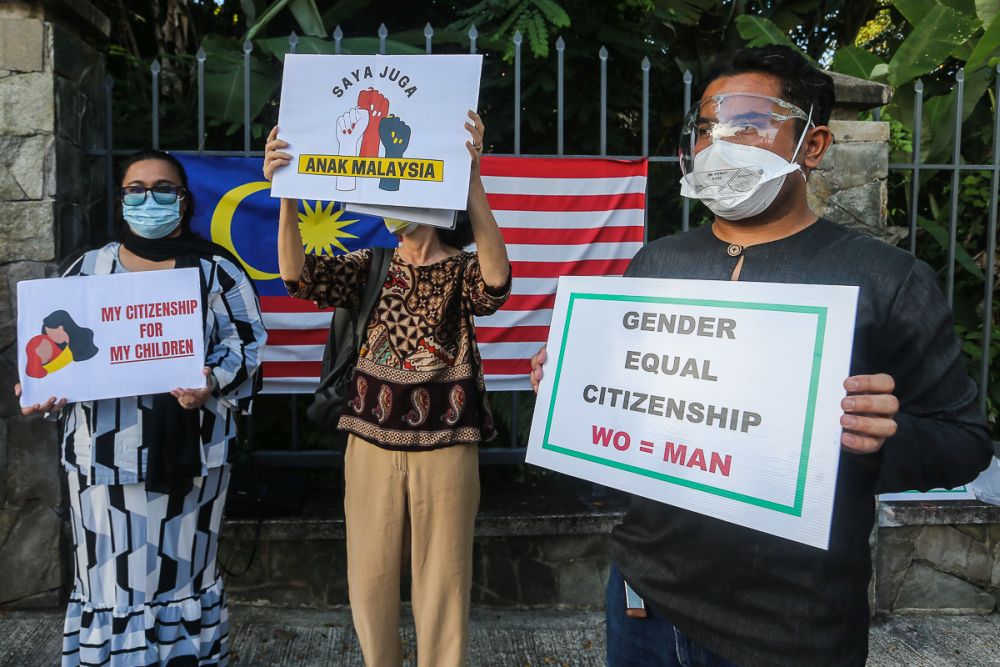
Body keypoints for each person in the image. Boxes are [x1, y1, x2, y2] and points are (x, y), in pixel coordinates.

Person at [529, 45, 993, 666]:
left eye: (748, 124)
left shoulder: (887, 279)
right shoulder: (657, 263)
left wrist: (882, 439)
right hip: (644, 600)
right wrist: (567, 385)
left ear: (814, 144)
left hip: (792, 624)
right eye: (705, 128)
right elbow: (624, 408)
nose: (720, 143)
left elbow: (964, 440)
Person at [263, 110, 511, 667]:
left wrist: (471, 181)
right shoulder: (371, 264)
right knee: (370, 581)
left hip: (447, 446)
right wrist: (287, 194)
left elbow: (496, 284)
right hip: (370, 444)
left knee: (444, 584)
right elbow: (297, 276)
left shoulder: (462, 270)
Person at [15, 149, 266, 667]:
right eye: (136, 189)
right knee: (109, 577)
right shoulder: (88, 269)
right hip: (101, 458)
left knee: (182, 572)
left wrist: (209, 380)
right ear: (122, 197)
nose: (149, 199)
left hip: (192, 457)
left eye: (163, 188)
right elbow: (50, 348)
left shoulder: (215, 269)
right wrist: (39, 385)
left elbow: (248, 347)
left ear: (184, 198)